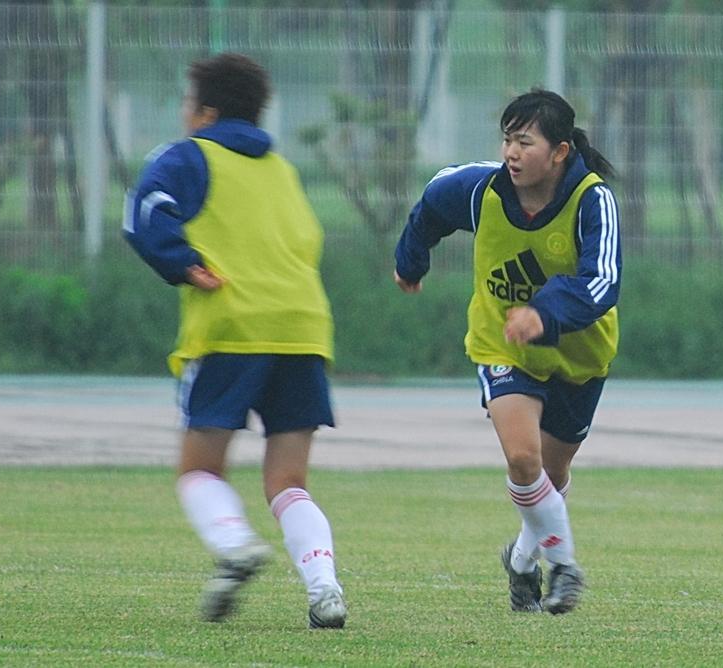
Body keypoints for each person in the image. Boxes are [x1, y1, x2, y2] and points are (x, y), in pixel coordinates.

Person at [123, 53, 346, 629]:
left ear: (205, 111)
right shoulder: (281, 169)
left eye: (186, 103)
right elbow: (308, 241)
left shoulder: (188, 154)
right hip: (301, 328)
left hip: (232, 325)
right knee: (289, 482)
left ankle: (234, 547)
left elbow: (144, 212)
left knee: (199, 471)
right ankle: (324, 587)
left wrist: (183, 263)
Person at [394, 89, 621, 614]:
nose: (511, 153)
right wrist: (411, 261)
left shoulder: (592, 199)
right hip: (502, 343)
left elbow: (603, 280)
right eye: (507, 140)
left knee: (553, 478)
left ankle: (522, 561)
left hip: (579, 355)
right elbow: (431, 202)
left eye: (525, 141)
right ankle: (564, 568)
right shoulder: (482, 189)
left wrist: (544, 313)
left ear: (560, 151)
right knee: (524, 458)